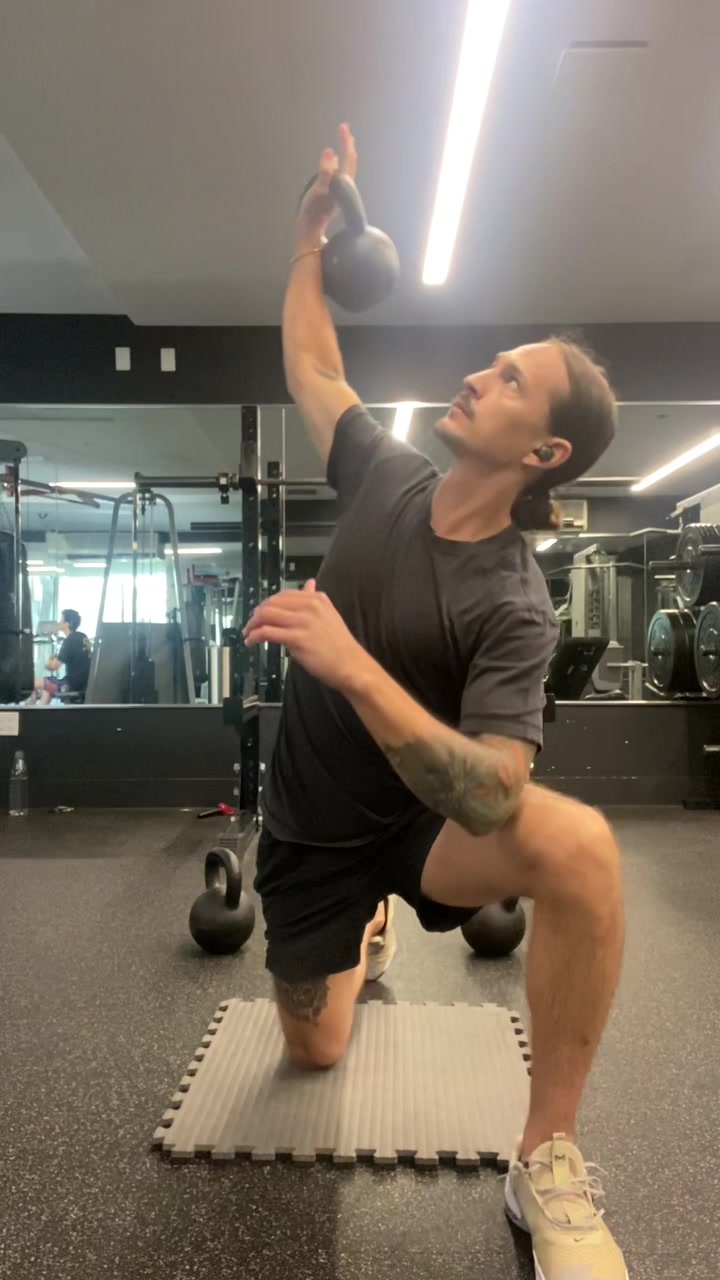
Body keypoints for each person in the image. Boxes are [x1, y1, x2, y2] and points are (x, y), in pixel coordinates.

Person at [245, 125, 627, 1280]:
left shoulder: (514, 602)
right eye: (492, 362)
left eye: (510, 379)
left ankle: (546, 1156)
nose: (477, 374)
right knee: (316, 1048)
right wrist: (308, 239)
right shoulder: (387, 472)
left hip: (426, 826)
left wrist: (350, 662)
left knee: (582, 848)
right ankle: (364, 926)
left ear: (545, 450)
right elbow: (314, 365)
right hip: (313, 826)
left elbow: (494, 791)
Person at [30, 609, 92, 705]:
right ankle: (39, 711)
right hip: (84, 684)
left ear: (67, 624)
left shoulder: (70, 640)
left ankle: (30, 710)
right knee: (48, 689)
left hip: (71, 685)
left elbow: (54, 666)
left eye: (61, 620)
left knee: (34, 683)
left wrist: (47, 663)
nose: (59, 622)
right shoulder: (82, 637)